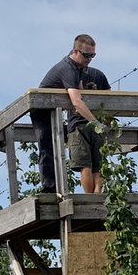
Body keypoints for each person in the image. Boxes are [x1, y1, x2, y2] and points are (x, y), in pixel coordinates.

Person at [32, 34, 106, 195]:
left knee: (59, 147)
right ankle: (49, 188)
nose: (90, 59)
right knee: (47, 148)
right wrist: (96, 123)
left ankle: (54, 187)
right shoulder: (68, 69)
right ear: (76, 51)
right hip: (42, 110)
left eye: (93, 55)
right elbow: (77, 102)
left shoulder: (79, 68)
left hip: (55, 109)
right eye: (87, 55)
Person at [69, 63, 112, 194]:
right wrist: (106, 123)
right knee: (98, 164)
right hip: (99, 125)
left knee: (84, 165)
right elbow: (110, 99)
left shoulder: (71, 74)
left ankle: (89, 196)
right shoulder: (99, 74)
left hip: (78, 124)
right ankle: (98, 193)